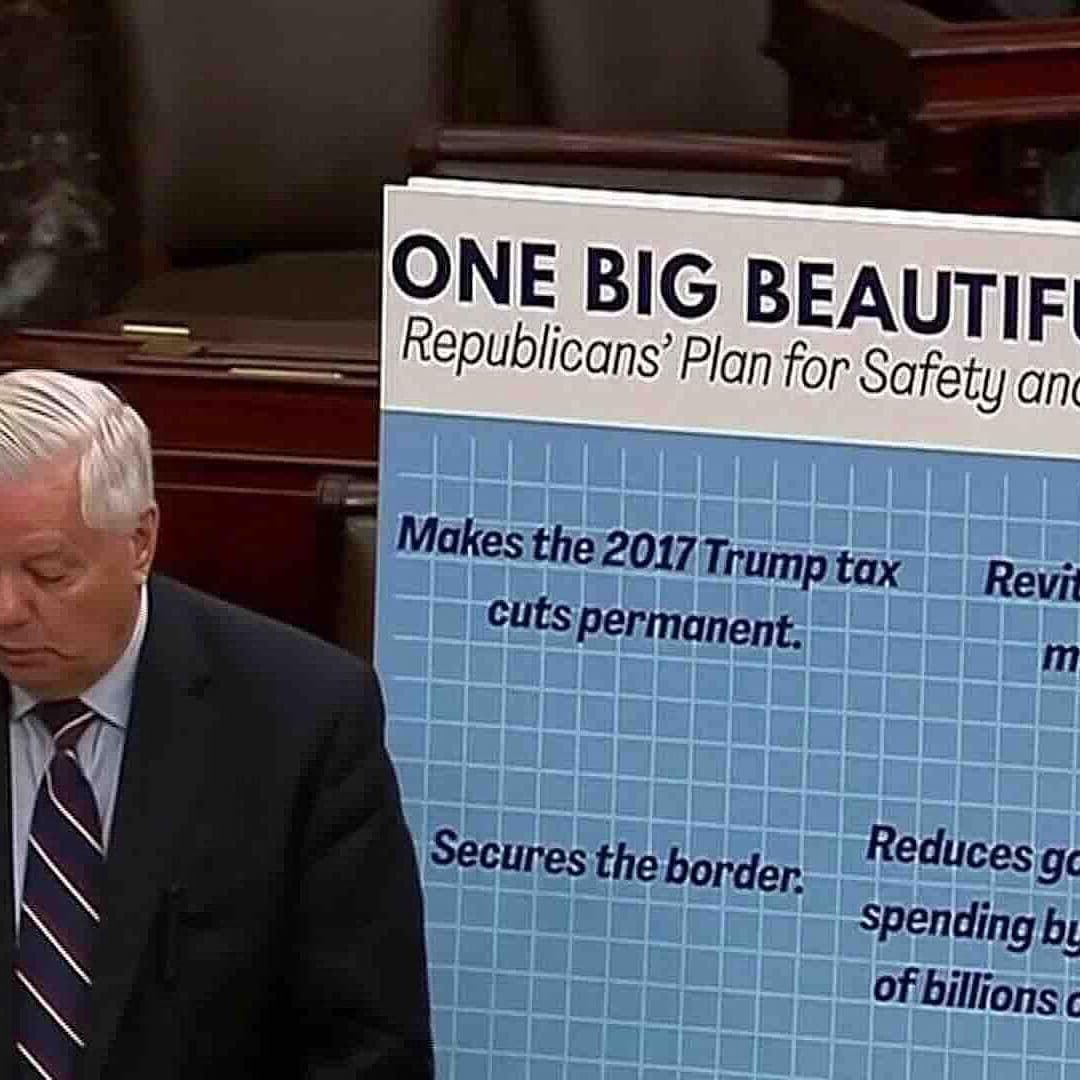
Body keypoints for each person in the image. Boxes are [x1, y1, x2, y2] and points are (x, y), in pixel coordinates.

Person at [0, 369, 434, 1078]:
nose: (6, 611)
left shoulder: (300, 720)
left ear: (141, 541)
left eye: (46, 573)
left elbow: (368, 1051)